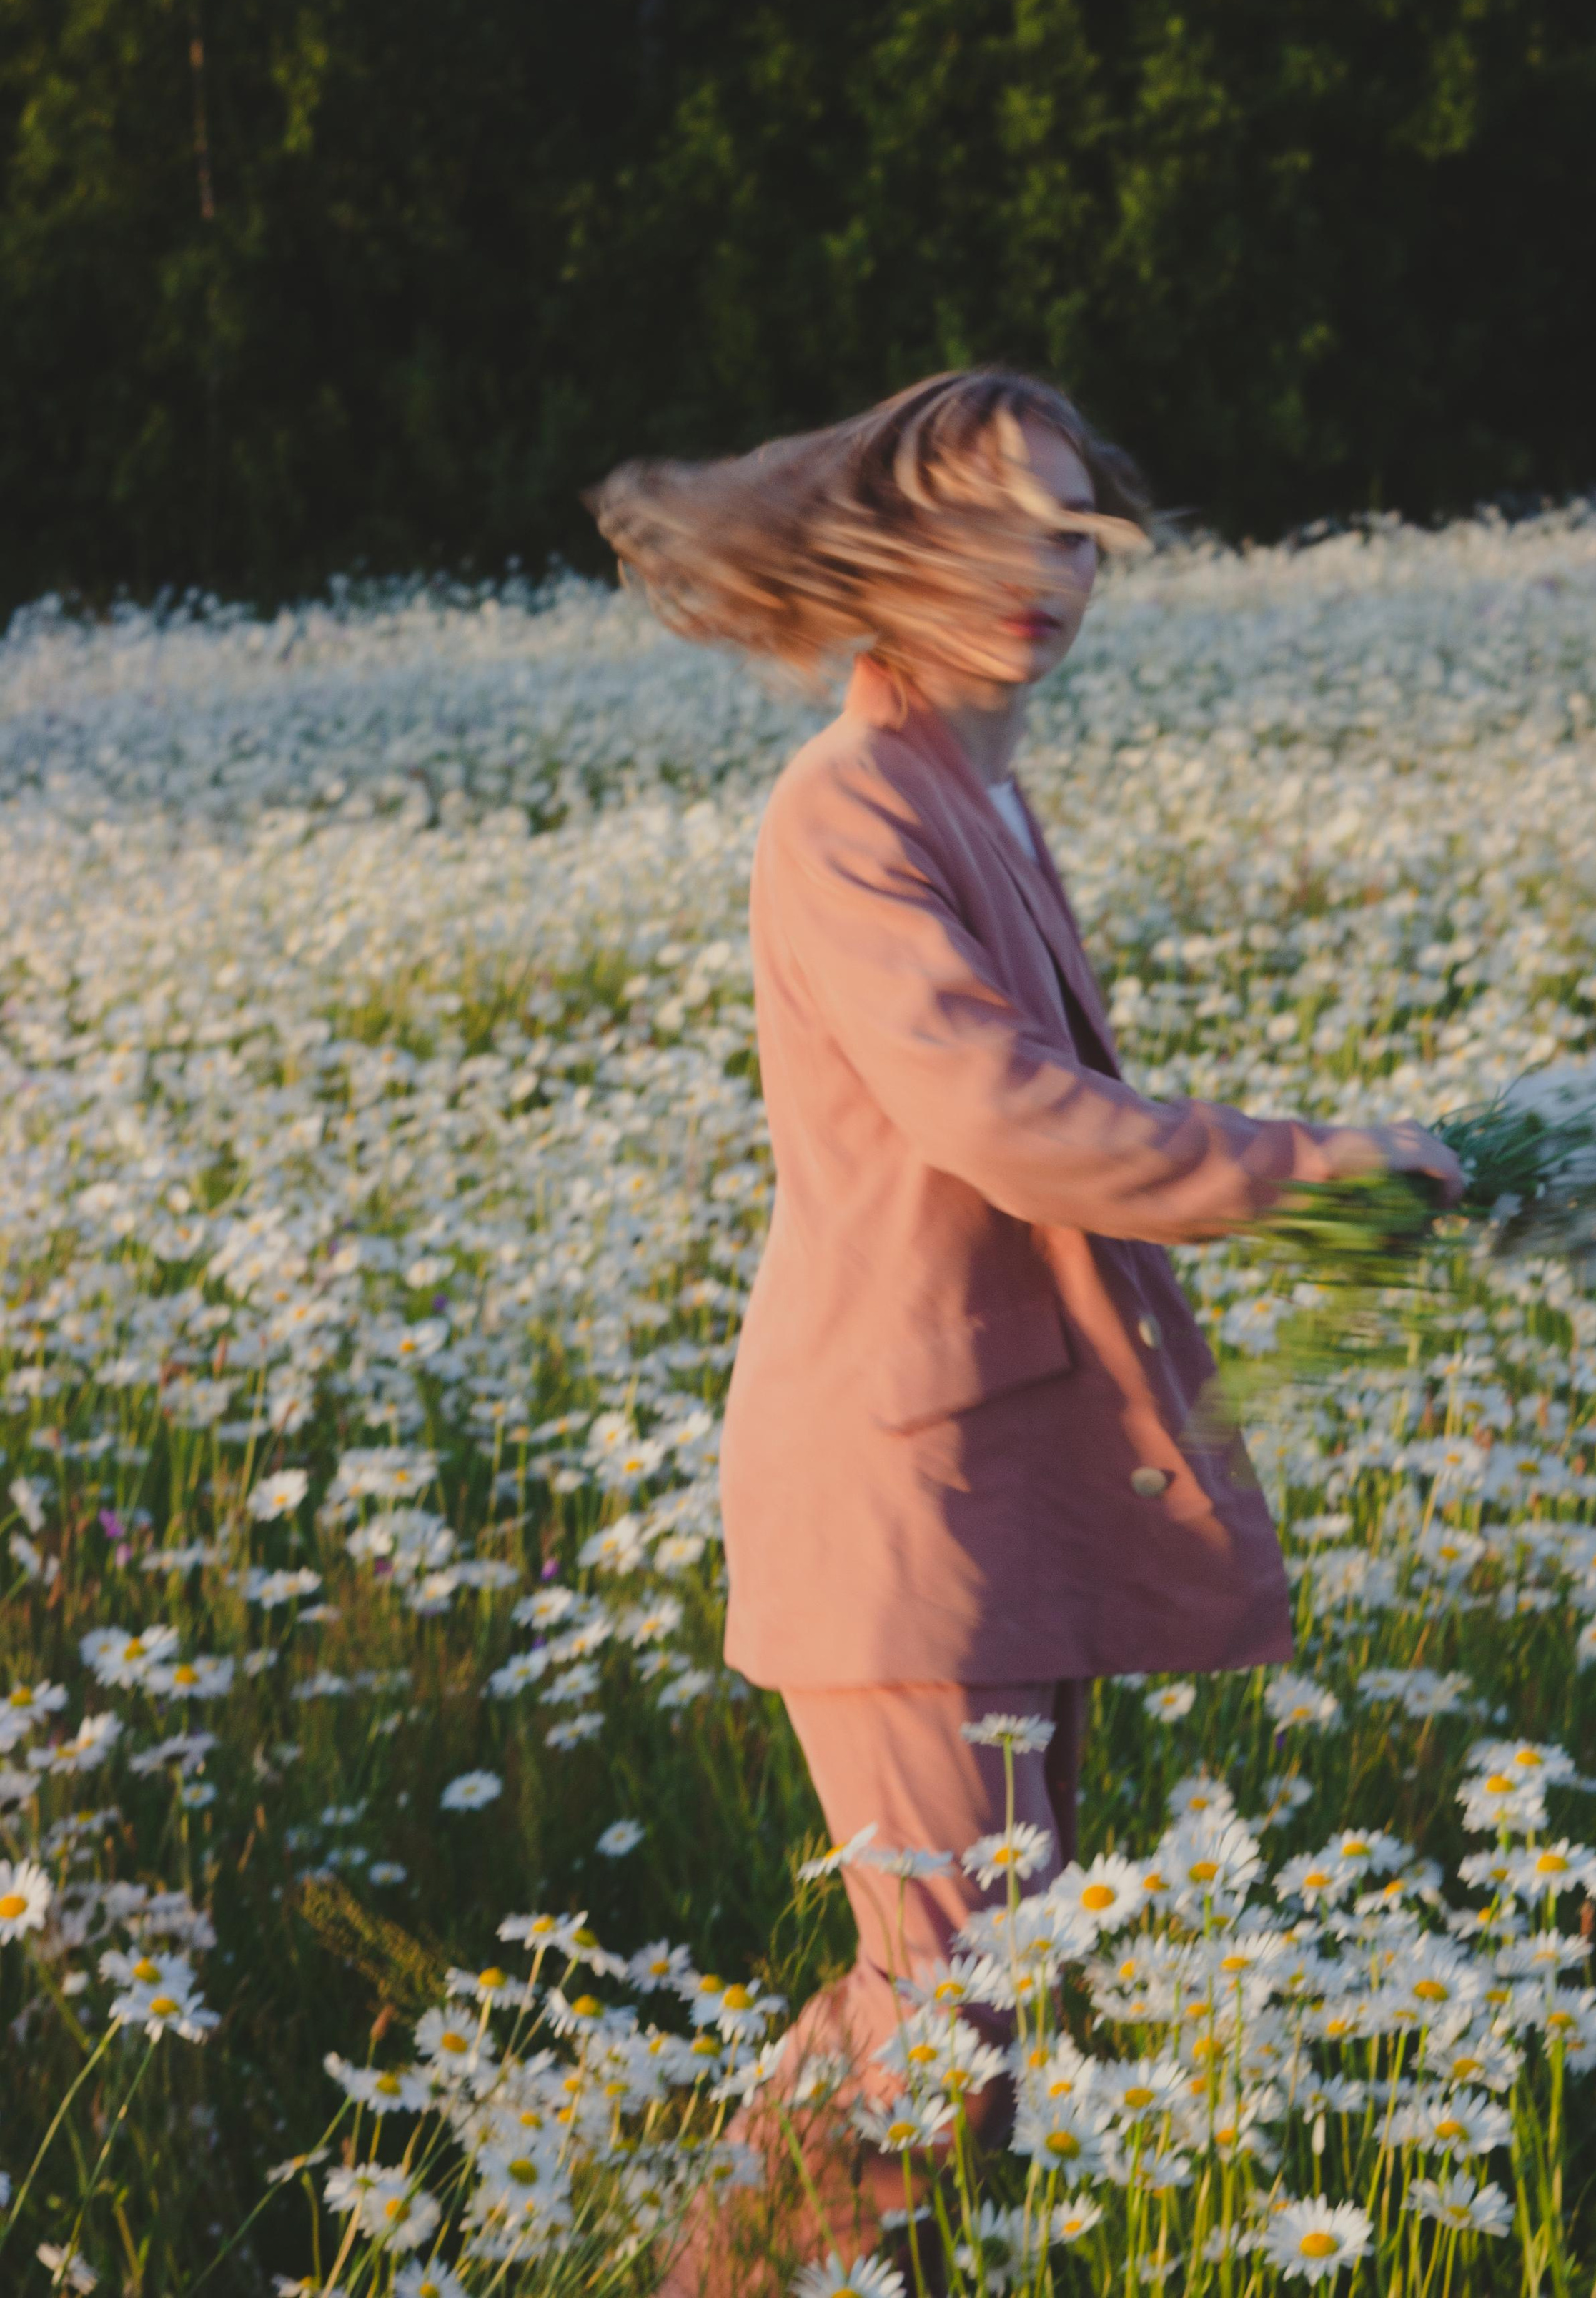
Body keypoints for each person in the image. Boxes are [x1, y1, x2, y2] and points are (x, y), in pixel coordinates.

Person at [584, 370, 1463, 2284]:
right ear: (888, 555)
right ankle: (716, 2276)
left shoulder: (970, 786)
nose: (1041, 572)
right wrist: (1320, 1173)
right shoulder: (848, 814)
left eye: (1072, 534)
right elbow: (1004, 1119)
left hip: (999, 1474)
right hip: (904, 1489)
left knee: (978, 1992)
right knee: (951, 2000)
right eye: (989, 530)